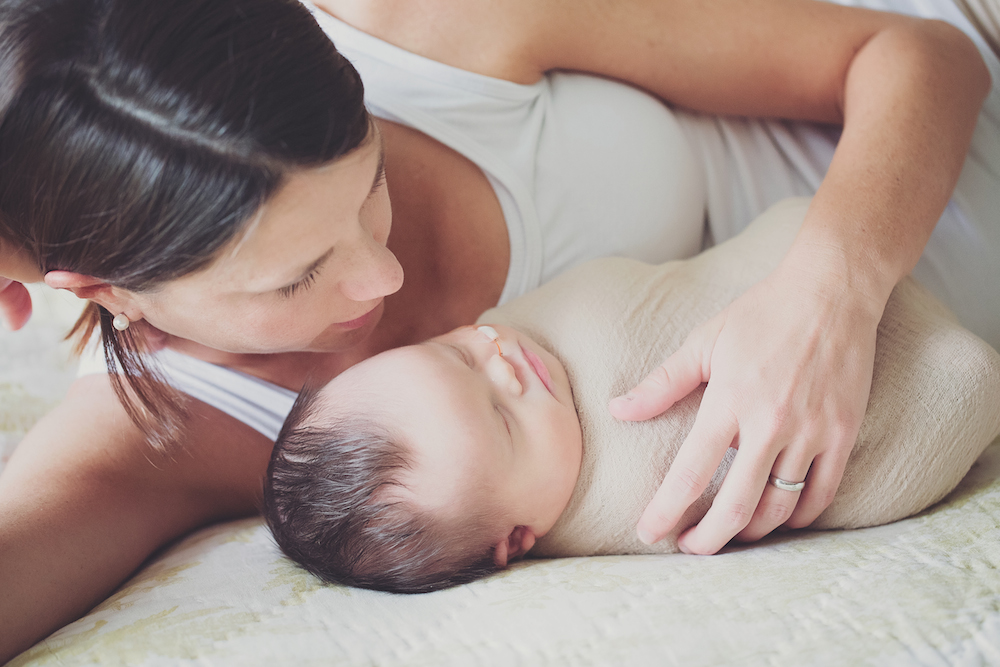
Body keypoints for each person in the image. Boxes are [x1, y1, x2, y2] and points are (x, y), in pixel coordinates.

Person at [0, 0, 995, 659]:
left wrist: (828, 293)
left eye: (371, 181)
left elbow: (914, 54)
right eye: (297, 277)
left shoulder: (421, 26)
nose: (379, 275)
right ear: (110, 293)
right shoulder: (162, 434)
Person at [263, 201, 1000, 593]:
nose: (506, 363)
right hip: (938, 377)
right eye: (502, 417)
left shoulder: (525, 337)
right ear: (515, 540)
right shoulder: (628, 497)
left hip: (863, 248)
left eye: (457, 353)